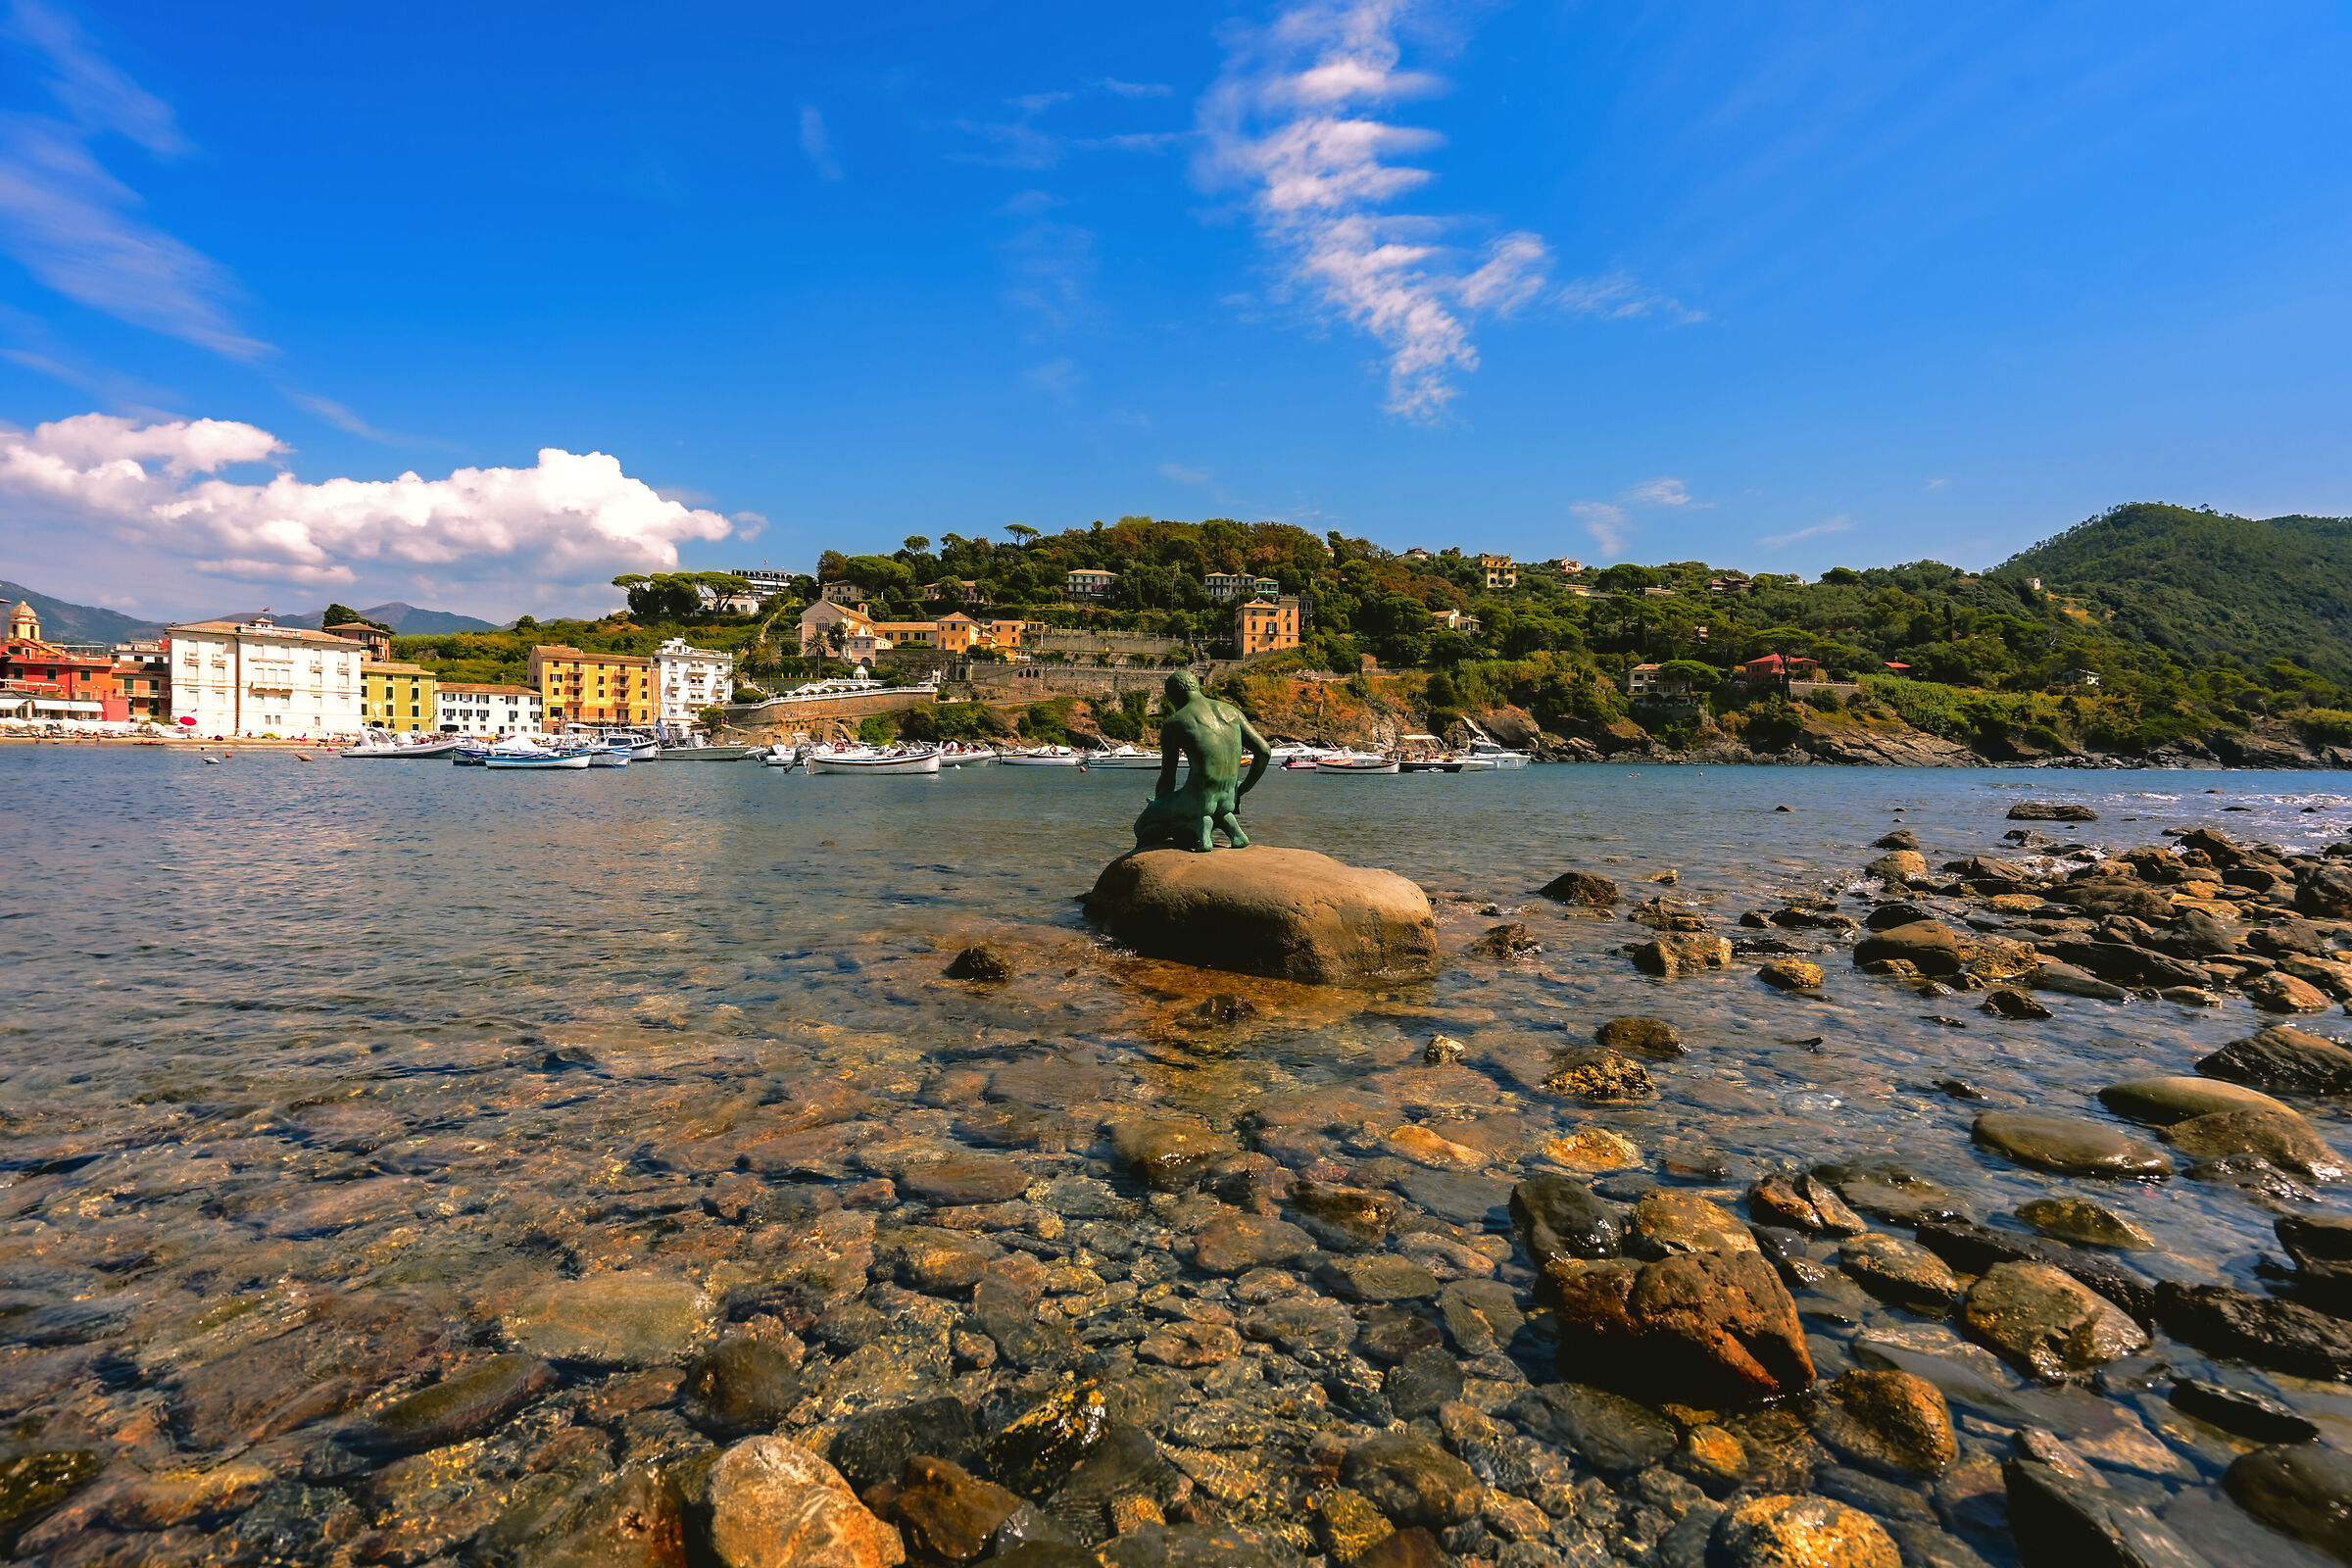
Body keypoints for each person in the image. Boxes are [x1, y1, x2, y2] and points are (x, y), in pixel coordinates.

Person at [1132, 669, 1271, 852]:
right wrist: (1242, 789)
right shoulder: (1231, 712)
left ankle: (1201, 824)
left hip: (1197, 799)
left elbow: (1168, 777)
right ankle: (1231, 829)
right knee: (1203, 812)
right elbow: (1264, 751)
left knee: (1141, 827)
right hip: (1228, 798)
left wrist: (1159, 803)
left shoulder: (1175, 722)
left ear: (1173, 696)